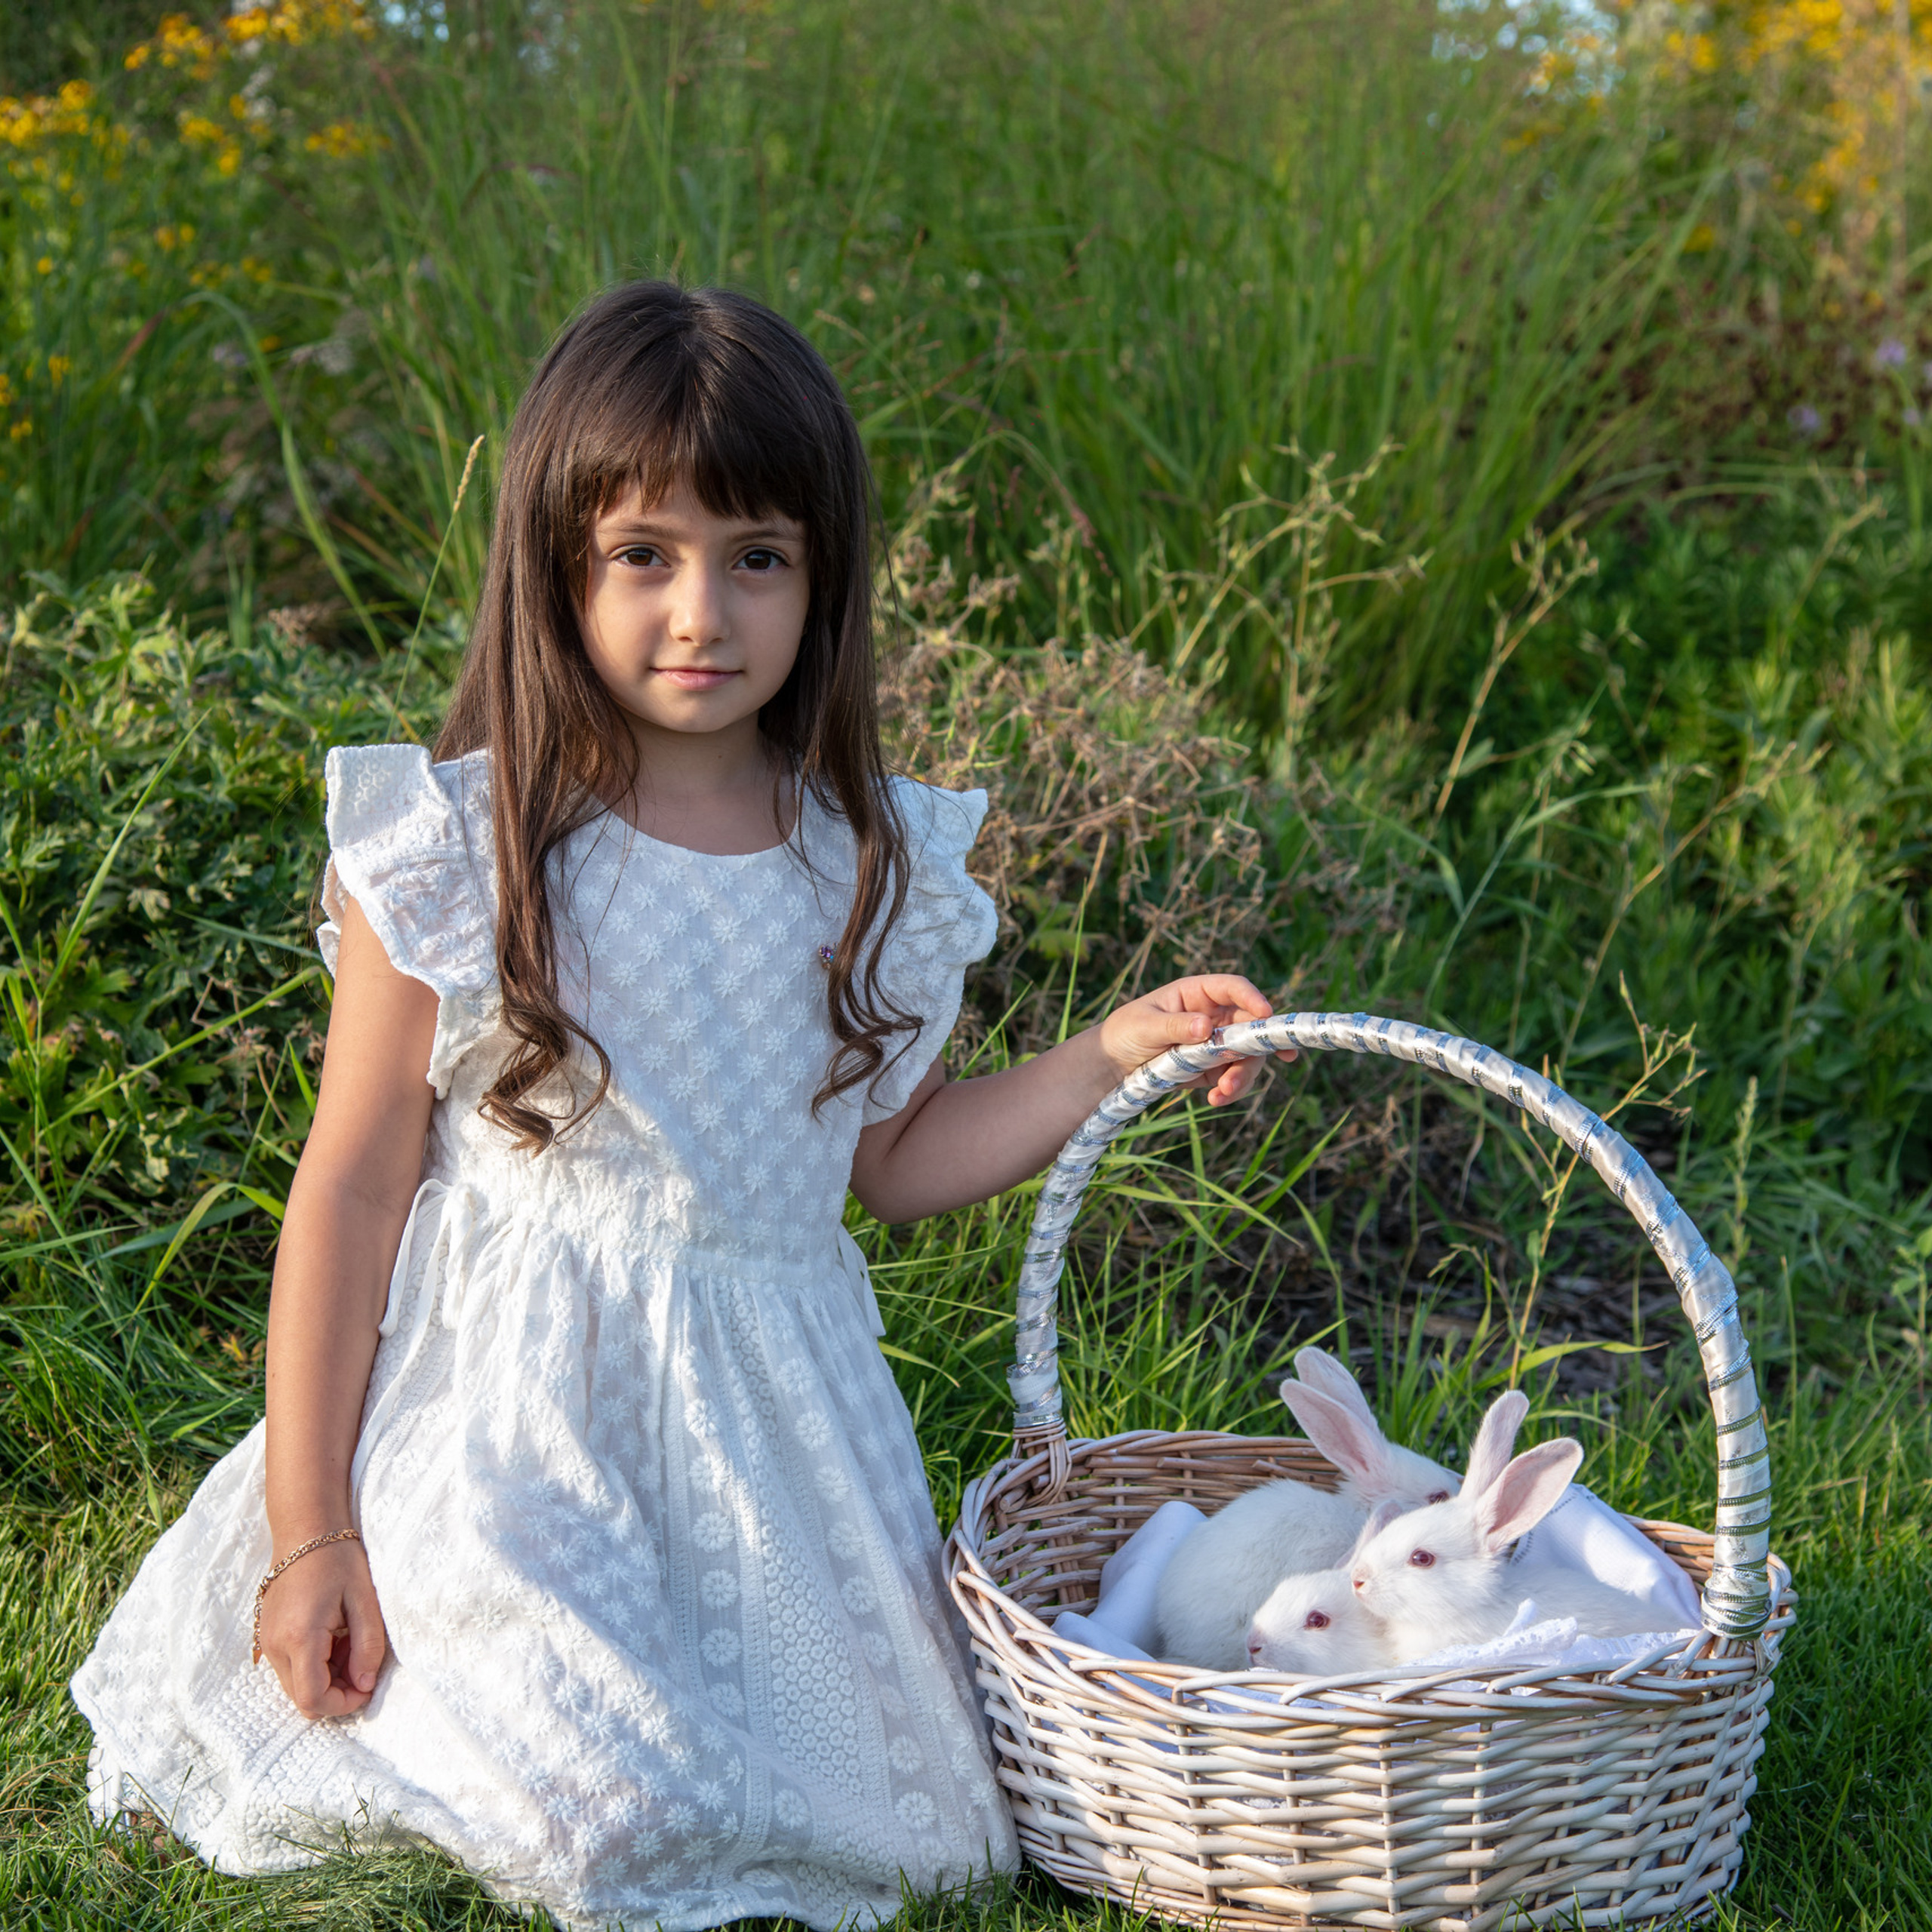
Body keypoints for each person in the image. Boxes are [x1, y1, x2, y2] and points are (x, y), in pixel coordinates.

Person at [69, 280, 1284, 1932]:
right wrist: (310, 1533)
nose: (698, 607)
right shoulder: (465, 850)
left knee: (925, 1839)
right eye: (643, 552)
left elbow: (896, 1166)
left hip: (774, 1461)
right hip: (513, 1439)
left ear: (822, 583)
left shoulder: (862, 864)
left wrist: (1106, 1056)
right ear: (556, 564)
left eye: (756, 556)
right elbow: (351, 1187)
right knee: (597, 1810)